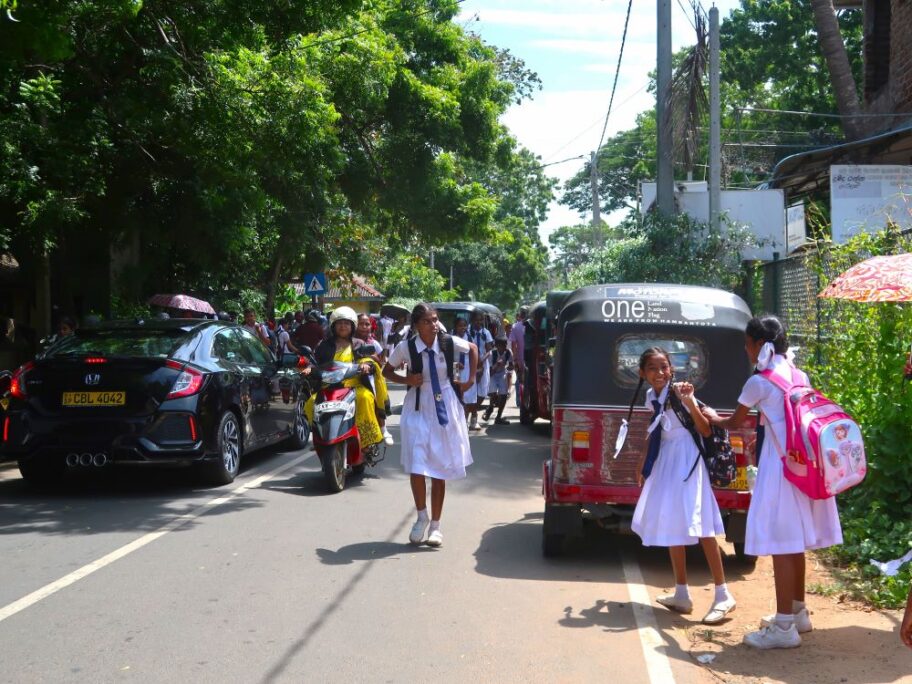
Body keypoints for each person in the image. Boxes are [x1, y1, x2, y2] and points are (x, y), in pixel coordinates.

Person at [702, 315, 842, 649]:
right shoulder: (798, 373)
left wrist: (711, 418)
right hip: (803, 467)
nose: (746, 351)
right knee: (794, 543)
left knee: (782, 543)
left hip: (780, 469)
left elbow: (735, 421)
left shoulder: (759, 381)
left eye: (748, 345)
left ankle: (782, 628)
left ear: (758, 345)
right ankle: (798, 613)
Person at [629, 347, 736, 625]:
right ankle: (681, 593)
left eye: (664, 367)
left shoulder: (680, 393)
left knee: (701, 524)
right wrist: (643, 462)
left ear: (671, 369)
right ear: (642, 373)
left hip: (688, 461)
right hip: (667, 461)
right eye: (652, 368)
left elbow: (704, 430)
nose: (659, 373)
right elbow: (657, 431)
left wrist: (689, 402)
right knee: (675, 522)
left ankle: (723, 594)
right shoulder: (652, 396)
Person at [382, 303, 478, 547]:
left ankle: (436, 526)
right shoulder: (406, 347)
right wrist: (407, 379)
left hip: (444, 404)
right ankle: (421, 516)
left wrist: (470, 380)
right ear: (416, 325)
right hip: (418, 405)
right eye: (428, 321)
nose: (434, 325)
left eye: (435, 320)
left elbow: (474, 349)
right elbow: (386, 370)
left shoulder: (447, 342)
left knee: (439, 466)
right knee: (417, 463)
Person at [462, 311, 493, 430]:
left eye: (481, 320)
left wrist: (481, 360)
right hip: (470, 365)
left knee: (482, 393)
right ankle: (472, 419)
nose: (478, 322)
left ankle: (471, 413)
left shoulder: (486, 333)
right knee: (470, 393)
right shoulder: (467, 332)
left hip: (482, 364)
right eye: (476, 320)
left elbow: (489, 349)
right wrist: (475, 362)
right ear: (472, 320)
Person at [482, 336, 513, 425]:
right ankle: (490, 408)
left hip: (502, 373)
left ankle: (498, 416)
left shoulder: (508, 353)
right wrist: (496, 365)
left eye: (504, 346)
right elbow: (490, 372)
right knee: (493, 394)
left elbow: (511, 365)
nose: (502, 348)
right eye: (500, 346)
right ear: (496, 346)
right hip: (493, 374)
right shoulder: (492, 354)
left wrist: (510, 367)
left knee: (503, 395)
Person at [510, 306, 528, 408]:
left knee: (519, 380)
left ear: (520, 315)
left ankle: (519, 401)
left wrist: (515, 359)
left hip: (520, 358)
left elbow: (514, 345)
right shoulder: (533, 325)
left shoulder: (515, 327)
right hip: (530, 358)